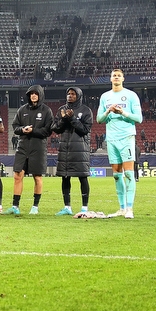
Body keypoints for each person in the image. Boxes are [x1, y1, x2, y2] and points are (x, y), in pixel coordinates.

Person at [97, 69, 143, 219]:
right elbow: (98, 119)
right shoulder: (105, 97)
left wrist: (122, 112)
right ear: (110, 79)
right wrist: (108, 112)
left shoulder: (131, 95)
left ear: (123, 78)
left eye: (118, 75)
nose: (116, 77)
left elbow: (139, 118)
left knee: (129, 173)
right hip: (111, 139)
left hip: (127, 137)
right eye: (114, 75)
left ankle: (130, 208)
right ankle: (121, 208)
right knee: (117, 176)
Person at [6, 85, 53, 215]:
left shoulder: (46, 111)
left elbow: (48, 131)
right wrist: (22, 129)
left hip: (38, 147)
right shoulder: (22, 110)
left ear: (40, 95)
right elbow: (15, 126)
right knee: (17, 175)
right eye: (31, 93)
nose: (33, 95)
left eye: (36, 93)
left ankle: (35, 207)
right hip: (23, 146)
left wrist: (34, 131)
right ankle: (15, 206)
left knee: (37, 177)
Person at [51, 87, 94, 217]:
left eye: (73, 94)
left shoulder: (86, 110)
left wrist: (72, 118)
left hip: (80, 149)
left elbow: (84, 130)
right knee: (65, 177)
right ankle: (67, 207)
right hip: (65, 148)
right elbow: (55, 128)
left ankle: (84, 207)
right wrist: (64, 119)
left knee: (83, 177)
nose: (70, 96)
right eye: (68, 94)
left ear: (79, 95)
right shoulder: (61, 110)